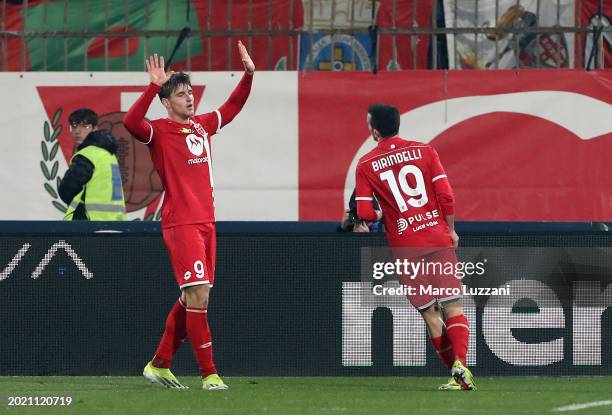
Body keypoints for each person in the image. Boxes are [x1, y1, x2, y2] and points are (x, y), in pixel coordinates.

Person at [123, 41, 254, 391]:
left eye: (190, 93)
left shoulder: (202, 125)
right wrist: (153, 86)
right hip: (181, 223)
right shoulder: (159, 132)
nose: (189, 98)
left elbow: (233, 105)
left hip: (206, 223)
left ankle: (160, 364)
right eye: (181, 95)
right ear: (167, 103)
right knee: (199, 298)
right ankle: (209, 374)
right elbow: (130, 121)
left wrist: (248, 75)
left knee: (191, 298)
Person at [355, 104, 475, 391]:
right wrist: (452, 229)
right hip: (436, 237)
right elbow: (445, 195)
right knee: (453, 305)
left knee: (431, 314)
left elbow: (364, 213)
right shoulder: (425, 151)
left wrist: (383, 215)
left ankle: (456, 374)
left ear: (374, 131)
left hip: (405, 247)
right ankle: (461, 365)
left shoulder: (365, 164)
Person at [58, 108, 126, 221]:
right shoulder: (109, 154)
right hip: (114, 222)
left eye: (85, 126)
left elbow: (66, 190)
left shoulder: (88, 154)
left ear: (95, 128)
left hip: (88, 223)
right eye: (74, 126)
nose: (77, 131)